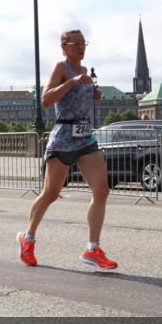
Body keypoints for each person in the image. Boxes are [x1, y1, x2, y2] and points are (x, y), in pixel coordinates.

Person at [17, 29, 117, 270]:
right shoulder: (62, 68)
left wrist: (92, 95)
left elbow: (76, 99)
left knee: (102, 190)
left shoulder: (85, 72)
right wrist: (71, 82)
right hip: (63, 138)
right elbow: (47, 99)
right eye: (77, 43)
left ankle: (93, 249)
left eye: (84, 43)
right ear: (64, 47)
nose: (82, 47)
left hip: (85, 137)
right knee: (51, 194)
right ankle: (27, 238)